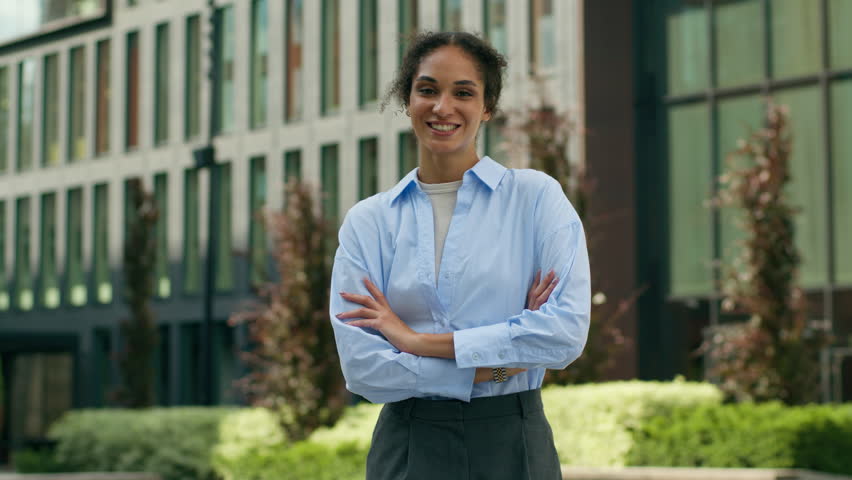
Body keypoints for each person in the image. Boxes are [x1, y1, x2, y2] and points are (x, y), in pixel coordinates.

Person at [329, 31, 590, 480]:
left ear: (487, 107)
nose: (442, 107)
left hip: (514, 442)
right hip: (408, 445)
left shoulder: (535, 200)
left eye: (463, 92)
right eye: (427, 90)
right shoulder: (369, 222)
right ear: (406, 100)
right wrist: (499, 362)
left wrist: (414, 342)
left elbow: (563, 335)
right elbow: (365, 370)